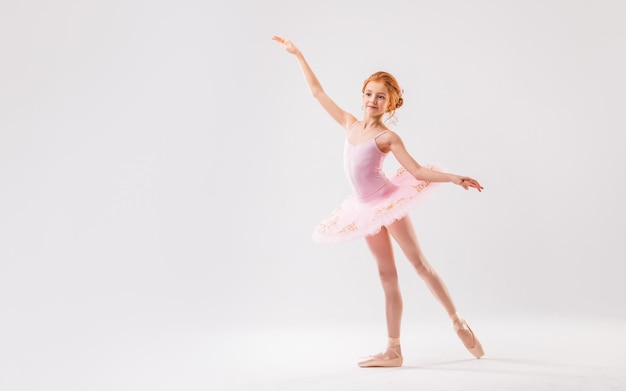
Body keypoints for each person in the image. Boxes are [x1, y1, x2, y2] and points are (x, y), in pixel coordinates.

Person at [272, 35, 485, 367]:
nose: (373, 100)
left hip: (388, 202)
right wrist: (298, 54)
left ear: (391, 104)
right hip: (364, 210)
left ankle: (457, 320)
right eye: (369, 94)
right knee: (387, 275)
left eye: (380, 96)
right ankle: (394, 349)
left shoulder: (387, 137)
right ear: (362, 96)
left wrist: (454, 178)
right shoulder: (349, 124)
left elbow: (415, 170)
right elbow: (317, 92)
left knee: (420, 265)